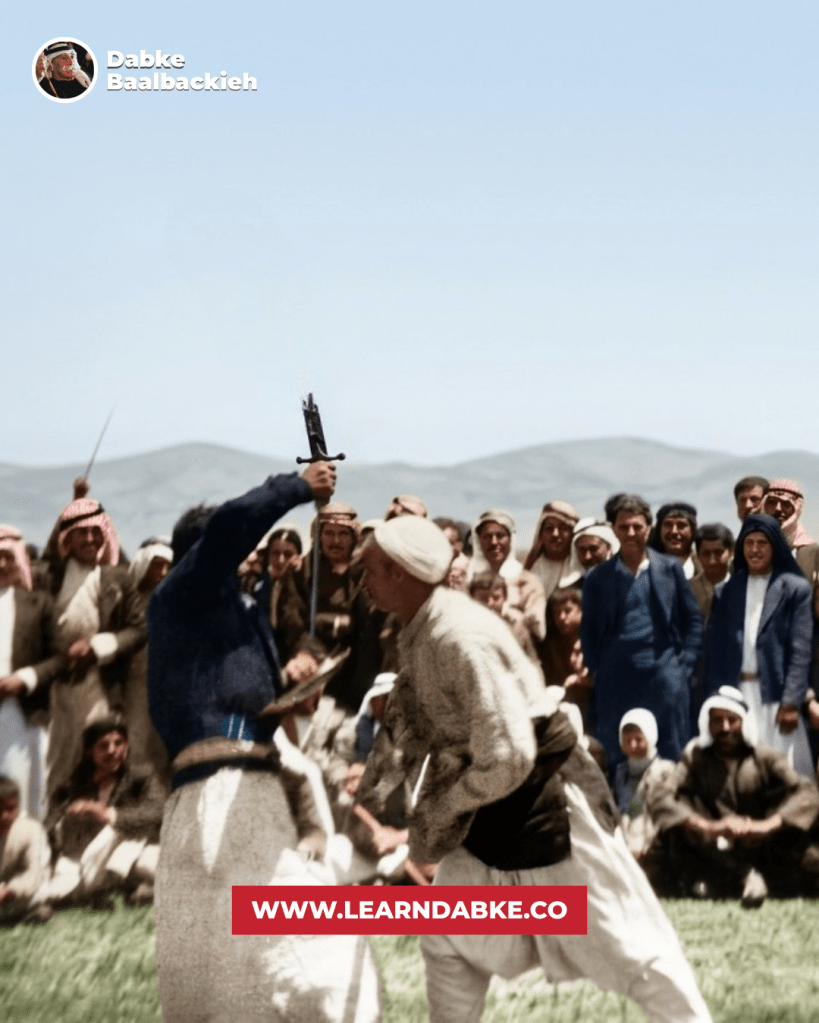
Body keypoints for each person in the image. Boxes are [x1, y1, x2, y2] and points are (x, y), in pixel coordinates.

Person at [357, 516, 713, 1023]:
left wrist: (441, 809)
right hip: (489, 810)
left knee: (630, 949)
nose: (361, 580)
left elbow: (510, 754)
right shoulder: (419, 628)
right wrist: (367, 800)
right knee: (446, 933)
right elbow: (408, 718)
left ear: (401, 573)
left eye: (370, 569)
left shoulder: (459, 636)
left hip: (549, 804)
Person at [147, 464, 381, 1023]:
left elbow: (238, 700)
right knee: (306, 944)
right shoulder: (183, 592)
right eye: (238, 551)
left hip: (235, 791)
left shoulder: (234, 610)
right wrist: (297, 488)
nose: (250, 557)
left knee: (227, 956)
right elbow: (230, 525)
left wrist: (290, 688)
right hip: (223, 795)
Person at [650, 686, 819, 906]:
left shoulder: (765, 756)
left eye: (732, 720)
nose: (725, 727)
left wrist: (765, 826)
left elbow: (808, 793)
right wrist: (709, 827)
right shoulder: (696, 757)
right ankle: (740, 878)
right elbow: (660, 796)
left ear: (744, 723)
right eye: (717, 720)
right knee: (678, 810)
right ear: (708, 724)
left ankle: (756, 880)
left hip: (764, 844)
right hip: (713, 847)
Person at [581, 494, 704, 768]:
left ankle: (671, 808)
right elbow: (587, 630)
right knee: (618, 752)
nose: (631, 533)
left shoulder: (668, 568)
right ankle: (623, 808)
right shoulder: (598, 578)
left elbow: (693, 621)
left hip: (664, 676)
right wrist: (596, 669)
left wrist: (682, 666)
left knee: (671, 748)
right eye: (624, 527)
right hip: (616, 679)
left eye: (637, 526)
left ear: (648, 527)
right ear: (613, 529)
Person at [44, 498, 145, 796]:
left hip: (98, 685)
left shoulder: (118, 578)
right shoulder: (48, 577)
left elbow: (138, 629)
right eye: (82, 532)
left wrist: (98, 645)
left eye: (96, 532)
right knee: (52, 760)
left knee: (95, 756)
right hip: (51, 686)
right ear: (68, 538)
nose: (90, 539)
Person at [704, 513, 814, 777]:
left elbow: (801, 651)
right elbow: (716, 651)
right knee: (737, 771)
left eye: (762, 543)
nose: (754, 550)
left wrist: (791, 702)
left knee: (782, 774)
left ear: (775, 546)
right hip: (736, 695)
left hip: (776, 696)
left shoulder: (795, 589)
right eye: (749, 543)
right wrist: (714, 698)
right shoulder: (727, 591)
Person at [36, 717, 164, 908]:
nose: (112, 750)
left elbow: (158, 811)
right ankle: (131, 890)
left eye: (118, 743)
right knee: (64, 882)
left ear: (127, 746)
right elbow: (48, 828)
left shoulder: (141, 778)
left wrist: (109, 815)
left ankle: (141, 888)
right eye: (103, 746)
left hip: (130, 850)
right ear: (89, 752)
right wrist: (68, 818)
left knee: (147, 863)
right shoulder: (72, 787)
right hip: (85, 857)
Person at [0, 526, 64, 820]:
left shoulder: (38, 604)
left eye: (6, 557)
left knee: (24, 793)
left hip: (21, 715)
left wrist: (24, 679)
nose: (1, 565)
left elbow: (60, 657)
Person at [470, 510, 546, 644]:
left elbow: (538, 630)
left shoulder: (528, 581)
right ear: (479, 541)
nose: (494, 542)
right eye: (487, 536)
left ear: (510, 539)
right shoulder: (467, 578)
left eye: (500, 536)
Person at [612, 709, 675, 864]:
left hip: (651, 847)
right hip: (624, 846)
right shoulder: (621, 772)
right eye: (628, 740)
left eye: (639, 739)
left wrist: (643, 846)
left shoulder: (664, 770)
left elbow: (662, 816)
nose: (633, 745)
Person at [0, 775, 50, 926]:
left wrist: (9, 890)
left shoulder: (31, 830)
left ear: (18, 806)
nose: (3, 816)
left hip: (11, 893)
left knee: (39, 895)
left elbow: (36, 871)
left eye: (10, 809)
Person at [762, 478, 819, 584]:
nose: (778, 509)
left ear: (797, 508)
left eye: (786, 504)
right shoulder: (752, 546)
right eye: (772, 503)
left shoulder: (811, 550)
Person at [523, 500, 581, 600]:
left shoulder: (581, 571)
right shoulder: (530, 572)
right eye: (549, 528)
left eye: (563, 528)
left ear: (573, 534)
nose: (555, 534)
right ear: (540, 533)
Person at [690, 523, 734, 624]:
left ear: (730, 552)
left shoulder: (742, 589)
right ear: (698, 554)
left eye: (718, 553)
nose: (712, 561)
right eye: (706, 554)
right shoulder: (686, 590)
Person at [650, 502, 699, 580]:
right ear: (659, 531)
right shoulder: (644, 570)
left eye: (681, 525)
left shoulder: (707, 569)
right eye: (668, 525)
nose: (674, 531)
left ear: (693, 531)